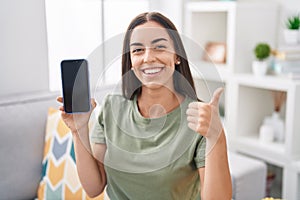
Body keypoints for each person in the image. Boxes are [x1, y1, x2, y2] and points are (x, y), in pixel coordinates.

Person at [57, 12, 232, 200]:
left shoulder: (200, 118)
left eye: (160, 47)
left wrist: (217, 138)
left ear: (177, 56)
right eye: (138, 50)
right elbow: (94, 187)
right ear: (131, 61)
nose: (148, 57)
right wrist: (79, 130)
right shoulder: (111, 107)